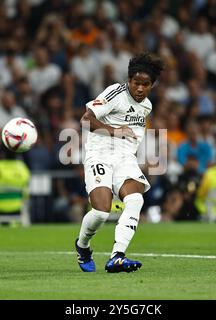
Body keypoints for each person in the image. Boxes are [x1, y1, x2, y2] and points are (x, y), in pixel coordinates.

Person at [75, 53, 164, 273]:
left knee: (135, 199)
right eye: (136, 83)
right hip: (100, 154)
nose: (140, 89)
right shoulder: (116, 93)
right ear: (129, 81)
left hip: (124, 159)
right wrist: (115, 132)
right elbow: (85, 120)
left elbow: (133, 136)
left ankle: (117, 256)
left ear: (152, 85)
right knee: (102, 212)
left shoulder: (147, 107)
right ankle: (82, 246)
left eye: (146, 84)